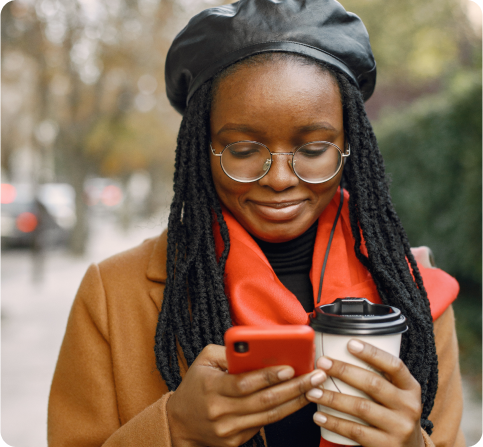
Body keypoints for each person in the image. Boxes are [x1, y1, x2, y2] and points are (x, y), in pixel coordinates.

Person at [47, 0, 465, 446]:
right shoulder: (113, 296)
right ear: (200, 151)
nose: (281, 179)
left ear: (350, 147)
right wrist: (174, 430)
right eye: (244, 151)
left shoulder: (415, 293)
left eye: (313, 149)